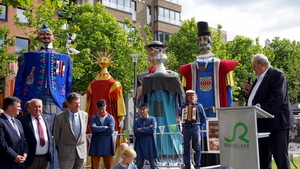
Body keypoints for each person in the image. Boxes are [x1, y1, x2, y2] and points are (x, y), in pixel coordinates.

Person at [243, 54, 294, 169]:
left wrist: (260, 112)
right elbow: (258, 99)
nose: (253, 68)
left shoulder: (277, 74)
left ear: (262, 64)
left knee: (281, 159)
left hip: (276, 125)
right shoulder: (258, 79)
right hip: (261, 125)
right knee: (262, 160)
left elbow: (277, 98)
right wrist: (249, 93)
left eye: (254, 65)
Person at [135, 41, 184, 158]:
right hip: (149, 113)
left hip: (169, 114)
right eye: (150, 50)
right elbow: (137, 102)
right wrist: (138, 96)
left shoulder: (172, 75)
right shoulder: (142, 76)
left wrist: (179, 114)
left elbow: (180, 98)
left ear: (163, 53)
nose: (152, 52)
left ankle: (172, 156)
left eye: (156, 49)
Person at [179, 21, 238, 118]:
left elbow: (229, 92)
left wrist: (229, 111)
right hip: (194, 114)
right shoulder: (189, 69)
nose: (202, 42)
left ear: (210, 41)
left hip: (216, 110)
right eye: (200, 39)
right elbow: (184, 93)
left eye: (205, 39)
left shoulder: (222, 66)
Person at [13, 24, 72, 121]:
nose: (46, 36)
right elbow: (19, 80)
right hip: (31, 95)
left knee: (55, 126)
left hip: (58, 98)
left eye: (48, 34)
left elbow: (68, 81)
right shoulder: (28, 56)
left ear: (53, 37)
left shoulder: (64, 58)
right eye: (42, 34)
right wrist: (17, 100)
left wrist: (68, 101)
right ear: (37, 37)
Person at [85, 51, 126, 133]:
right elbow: (120, 102)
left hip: (95, 114)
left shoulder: (92, 84)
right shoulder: (115, 84)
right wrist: (121, 117)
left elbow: (87, 105)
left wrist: (85, 117)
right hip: (112, 114)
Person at [53, 92, 88, 169]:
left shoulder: (84, 115)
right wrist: (64, 147)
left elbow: (83, 133)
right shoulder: (60, 117)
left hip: (81, 153)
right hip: (66, 154)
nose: (78, 105)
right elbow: (57, 136)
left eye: (79, 103)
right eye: (75, 103)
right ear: (68, 104)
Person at [17, 99, 53, 169]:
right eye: (35, 107)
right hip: (30, 159)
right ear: (29, 108)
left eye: (39, 107)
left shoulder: (47, 118)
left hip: (45, 158)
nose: (38, 109)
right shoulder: (21, 120)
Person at [179, 90, 206, 169]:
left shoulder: (199, 105)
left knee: (197, 147)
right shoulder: (183, 106)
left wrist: (199, 125)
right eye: (189, 95)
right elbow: (181, 115)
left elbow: (203, 117)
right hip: (186, 128)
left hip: (195, 127)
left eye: (192, 95)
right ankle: (187, 165)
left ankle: (197, 164)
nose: (191, 97)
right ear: (186, 97)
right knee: (186, 148)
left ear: (195, 96)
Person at [0, 96, 28, 169]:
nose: (20, 109)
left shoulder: (18, 122)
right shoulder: (1, 121)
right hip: (6, 163)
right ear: (10, 107)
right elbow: (1, 143)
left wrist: (25, 154)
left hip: (20, 164)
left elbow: (23, 140)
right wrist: (14, 156)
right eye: (18, 106)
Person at [89, 99, 115, 169]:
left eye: (103, 109)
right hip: (96, 144)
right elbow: (93, 129)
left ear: (106, 106)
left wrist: (98, 129)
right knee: (94, 166)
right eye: (99, 109)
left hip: (107, 144)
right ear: (96, 108)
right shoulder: (94, 118)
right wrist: (104, 127)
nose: (101, 111)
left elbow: (110, 130)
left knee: (109, 166)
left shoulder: (110, 118)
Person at [133, 103, 158, 169]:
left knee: (154, 165)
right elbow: (136, 132)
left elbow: (152, 130)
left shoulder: (152, 119)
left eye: (143, 110)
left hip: (150, 145)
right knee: (138, 166)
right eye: (140, 110)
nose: (141, 111)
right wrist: (147, 129)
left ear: (147, 110)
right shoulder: (137, 120)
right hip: (139, 145)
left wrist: (141, 129)